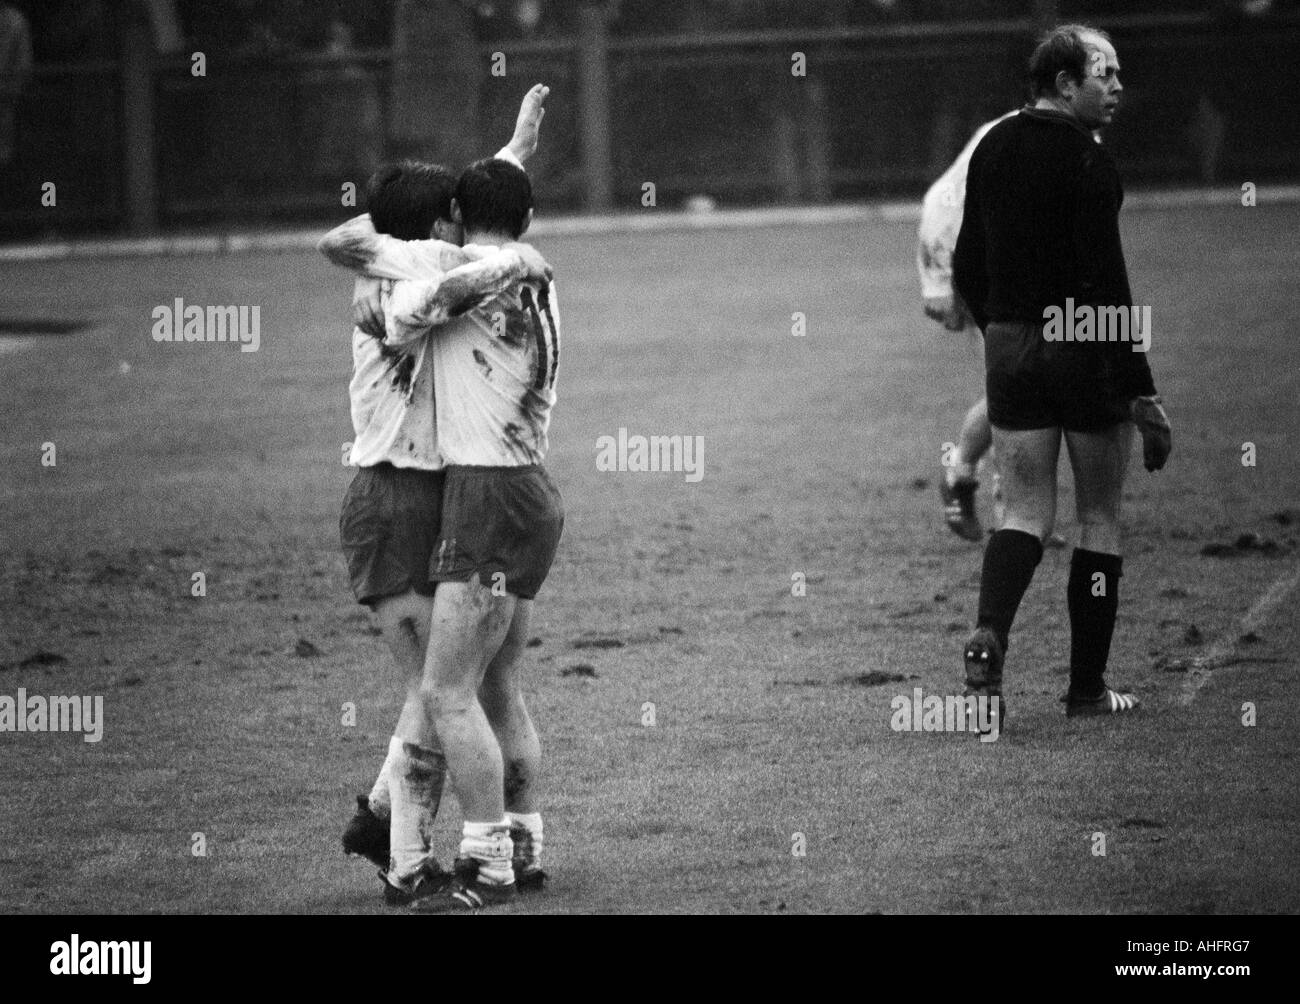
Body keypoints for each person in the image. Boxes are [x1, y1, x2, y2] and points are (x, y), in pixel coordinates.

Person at [318, 85, 553, 906]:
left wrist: (513, 157)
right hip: (394, 502)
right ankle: (408, 857)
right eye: (448, 214)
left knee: (446, 692)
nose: (460, 221)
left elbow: (479, 219)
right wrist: (515, 255)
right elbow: (456, 260)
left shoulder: (431, 262)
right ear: (429, 231)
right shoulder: (394, 292)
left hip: (448, 497)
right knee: (441, 692)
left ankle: (398, 826)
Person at [952, 24, 1172, 726]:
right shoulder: (1089, 160)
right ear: (1064, 83)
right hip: (1085, 341)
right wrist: (1141, 386)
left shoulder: (992, 144)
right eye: (1103, 74)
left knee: (1021, 511)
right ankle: (1085, 691)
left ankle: (989, 635)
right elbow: (1108, 282)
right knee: (1099, 515)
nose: (1117, 87)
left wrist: (1003, 334)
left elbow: (966, 265)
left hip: (1012, 342)